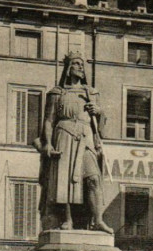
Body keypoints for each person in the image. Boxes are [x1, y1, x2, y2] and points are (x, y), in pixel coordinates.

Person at [34, 51, 114, 234]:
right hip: (64, 134)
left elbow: (101, 126)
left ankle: (98, 220)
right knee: (66, 181)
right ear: (68, 68)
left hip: (85, 137)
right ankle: (68, 220)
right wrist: (47, 144)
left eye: (81, 64)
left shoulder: (91, 93)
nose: (80, 67)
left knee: (93, 178)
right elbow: (48, 120)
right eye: (76, 63)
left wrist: (98, 112)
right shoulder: (57, 93)